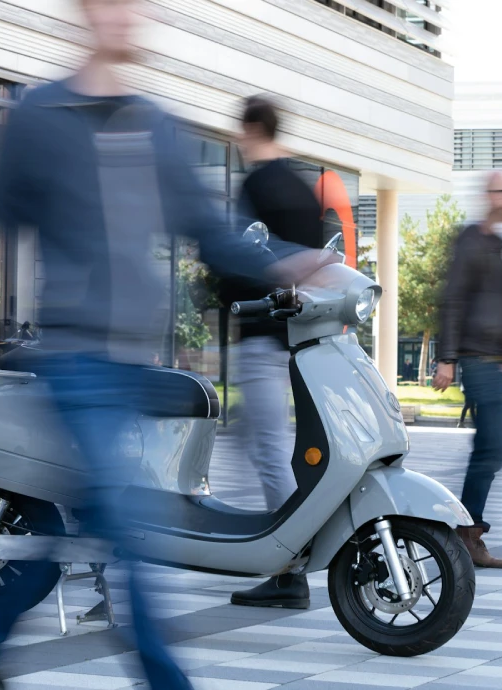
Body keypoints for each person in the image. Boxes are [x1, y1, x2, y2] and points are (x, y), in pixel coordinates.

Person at [0, 2, 322, 687]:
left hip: (137, 366)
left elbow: (210, 232)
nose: (130, 17)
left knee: (92, 524)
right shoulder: (39, 120)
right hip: (75, 360)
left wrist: (283, 264)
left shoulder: (156, 128)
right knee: (128, 533)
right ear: (87, 13)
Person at [227, 95, 325, 611]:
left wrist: (218, 301)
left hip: (263, 332)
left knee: (266, 449)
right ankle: (274, 539)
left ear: (251, 129)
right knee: (265, 440)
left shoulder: (256, 186)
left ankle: (291, 569)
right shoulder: (304, 190)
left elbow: (239, 257)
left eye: (240, 133)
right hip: (301, 338)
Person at [432, 171, 502, 569]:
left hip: (493, 361)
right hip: (473, 357)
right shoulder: (470, 239)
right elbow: (453, 298)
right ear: (489, 195)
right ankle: (467, 534)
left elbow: (500, 304)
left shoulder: (498, 243)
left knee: (490, 451)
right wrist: (447, 358)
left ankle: (467, 532)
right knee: (488, 448)